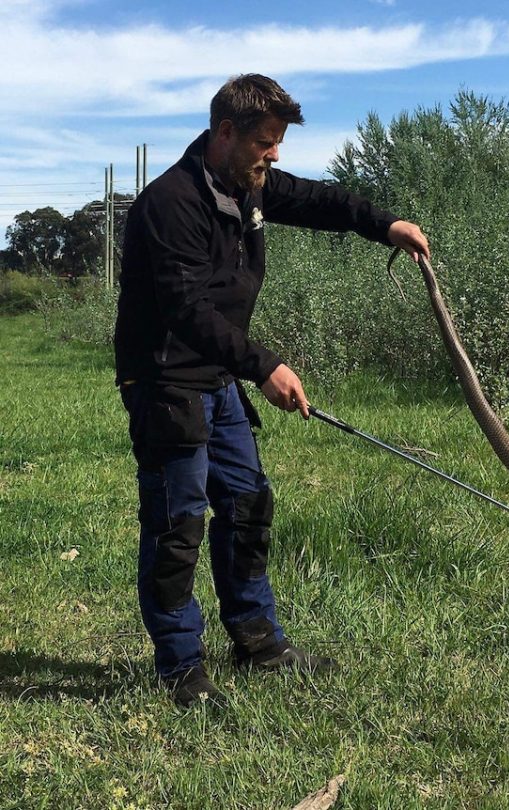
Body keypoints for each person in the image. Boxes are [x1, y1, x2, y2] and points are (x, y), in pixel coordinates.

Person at [114, 73, 429, 707]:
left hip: (220, 378)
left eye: (280, 141)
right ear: (224, 132)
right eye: (266, 141)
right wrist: (266, 366)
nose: (275, 155)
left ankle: (259, 644)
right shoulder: (170, 202)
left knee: (248, 505)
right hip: (166, 377)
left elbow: (322, 201)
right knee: (178, 526)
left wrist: (386, 224)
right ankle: (180, 667)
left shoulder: (248, 184)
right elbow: (187, 309)